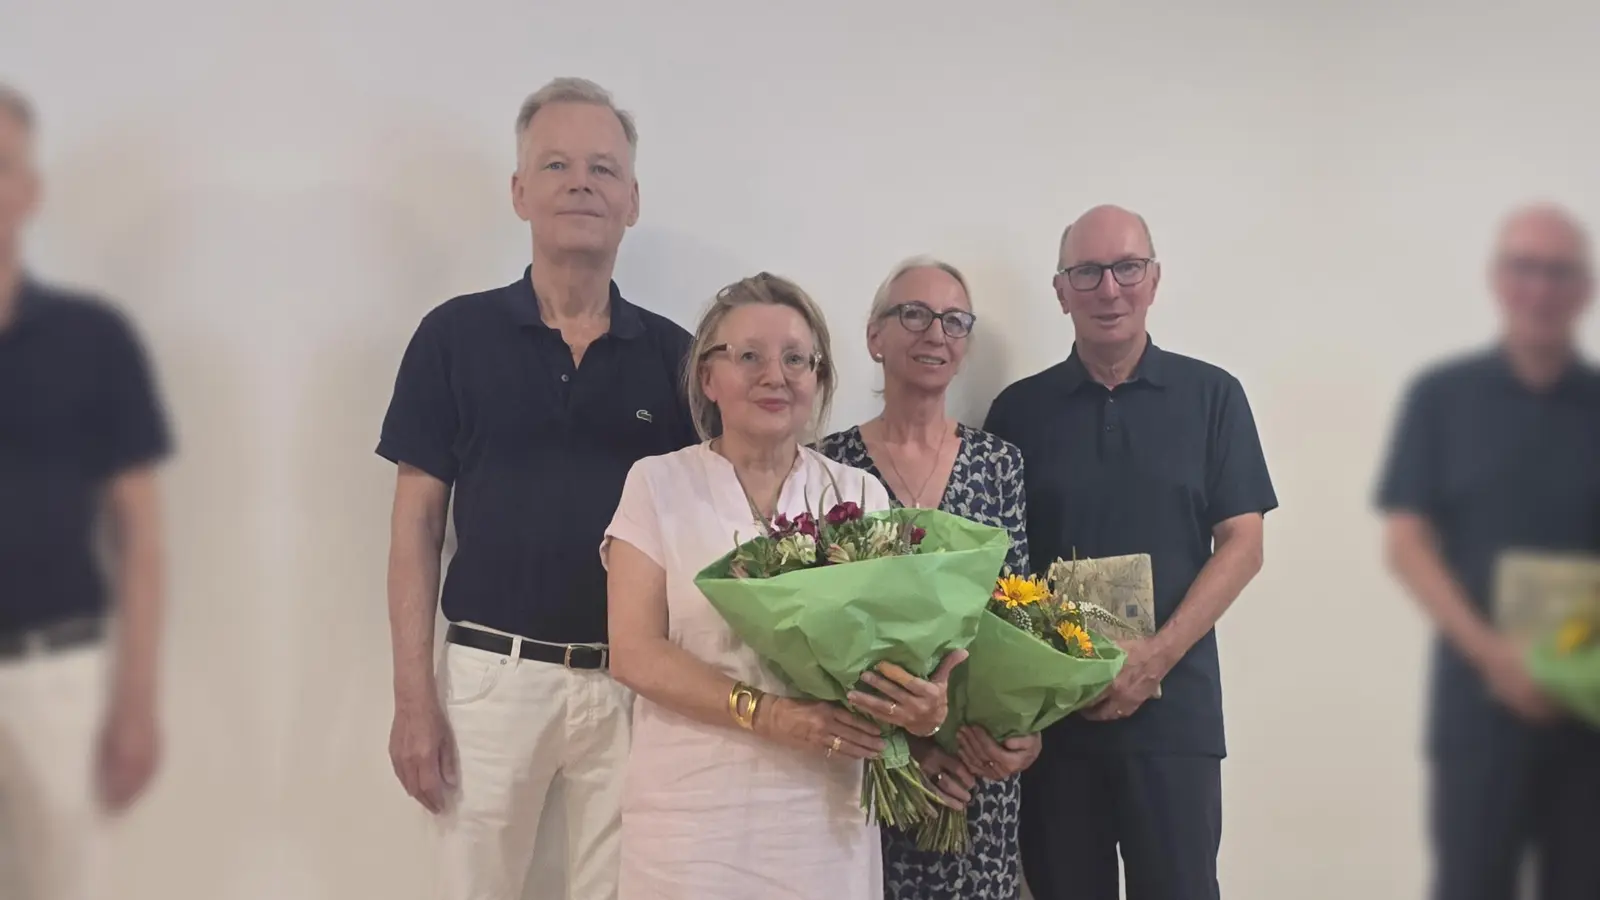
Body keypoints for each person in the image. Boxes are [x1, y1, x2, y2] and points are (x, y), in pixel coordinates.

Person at [376, 77, 699, 900]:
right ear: (520, 193)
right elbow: (415, 527)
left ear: (632, 199)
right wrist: (414, 700)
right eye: (556, 164)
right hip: (490, 679)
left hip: (635, 685)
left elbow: (707, 536)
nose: (581, 181)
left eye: (603, 167)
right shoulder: (453, 336)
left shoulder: (679, 359)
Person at [601, 272, 962, 900]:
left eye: (797, 358)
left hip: (824, 820)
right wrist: (766, 714)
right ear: (708, 378)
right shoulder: (657, 485)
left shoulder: (856, 494)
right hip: (689, 823)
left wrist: (925, 707)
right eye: (749, 356)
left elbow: (893, 654)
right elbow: (634, 652)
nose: (776, 375)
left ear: (819, 379)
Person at [983, 205, 1276, 900]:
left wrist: (1155, 657)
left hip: (1176, 717)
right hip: (1055, 727)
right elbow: (998, 571)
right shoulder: (1017, 412)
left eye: (1126, 268)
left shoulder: (1214, 396)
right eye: (1086, 272)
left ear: (1153, 279)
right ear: (1061, 291)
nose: (1108, 289)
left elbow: (1244, 543)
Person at [1375, 203, 1600, 900]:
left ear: (1584, 289)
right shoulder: (1441, 398)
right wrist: (1497, 658)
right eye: (1524, 269)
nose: (1540, 289)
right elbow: (1406, 541)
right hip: (1478, 709)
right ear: (1498, 280)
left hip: (1591, 711)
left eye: (1558, 272)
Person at [816, 256, 1039, 900]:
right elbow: (820, 634)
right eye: (912, 314)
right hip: (871, 767)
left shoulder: (1000, 463)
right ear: (874, 337)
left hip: (975, 771)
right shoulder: (829, 466)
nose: (934, 333)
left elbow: (1018, 616)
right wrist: (904, 748)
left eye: (953, 320)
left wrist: (1025, 734)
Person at [0, 83, 173, 899]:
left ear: (29, 190)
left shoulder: (93, 340)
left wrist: (134, 701)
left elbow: (139, 533)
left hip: (55, 679)